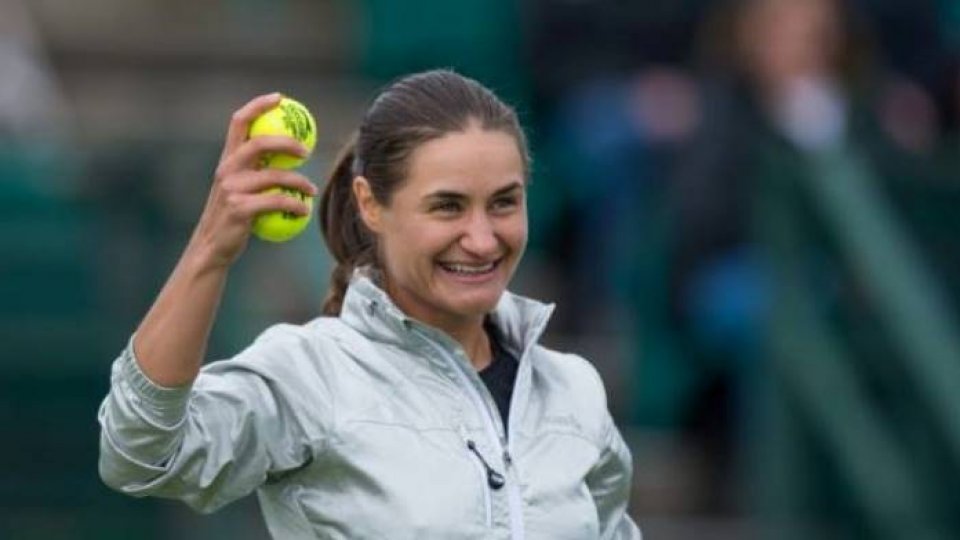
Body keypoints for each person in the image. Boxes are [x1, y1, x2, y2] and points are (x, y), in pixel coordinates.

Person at [97, 69, 642, 539]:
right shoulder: (310, 374)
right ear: (370, 205)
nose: (481, 238)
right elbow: (141, 455)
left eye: (504, 203)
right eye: (447, 207)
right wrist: (211, 251)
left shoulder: (574, 391)